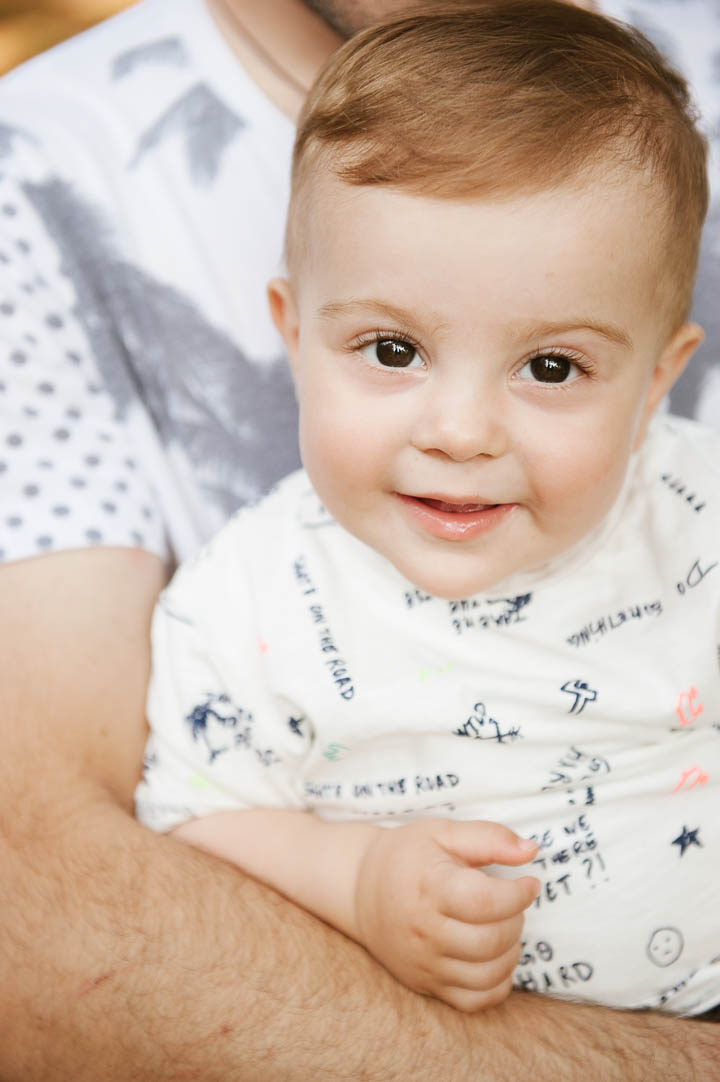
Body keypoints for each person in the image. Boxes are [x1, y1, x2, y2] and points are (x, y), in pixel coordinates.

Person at [0, 0, 718, 1077]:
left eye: (553, 368)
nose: (462, 432)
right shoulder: (247, 604)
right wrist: (358, 881)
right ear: (293, 331)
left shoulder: (691, 506)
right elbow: (196, 818)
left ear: (661, 376)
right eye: (392, 349)